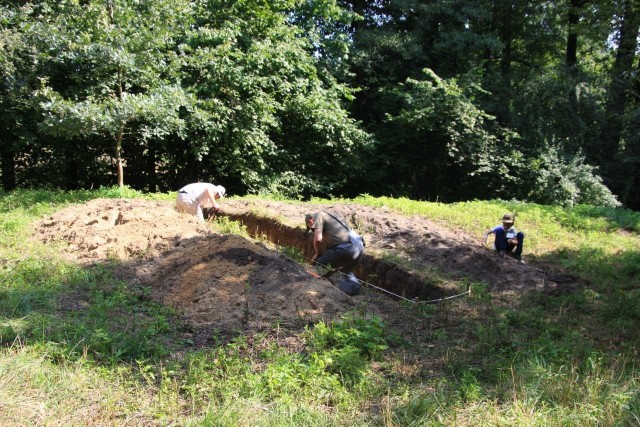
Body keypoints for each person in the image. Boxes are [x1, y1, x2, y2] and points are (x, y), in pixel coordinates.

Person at [305, 211, 365, 295]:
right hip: (358, 248)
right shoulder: (333, 215)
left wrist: (317, 254)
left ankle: (313, 291)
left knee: (318, 263)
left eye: (311, 228)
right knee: (345, 271)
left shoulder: (318, 216)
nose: (313, 230)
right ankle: (351, 294)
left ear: (311, 221)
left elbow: (318, 239)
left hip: (346, 248)